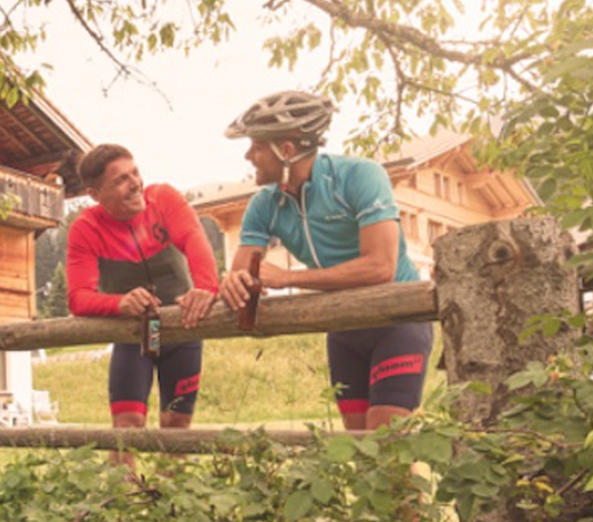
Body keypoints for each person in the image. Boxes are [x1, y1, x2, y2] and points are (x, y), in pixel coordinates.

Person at [216, 91, 432, 432]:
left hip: (397, 320)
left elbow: (380, 267)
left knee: (388, 443)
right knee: (359, 448)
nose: (248, 155)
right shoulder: (265, 204)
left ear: (285, 150)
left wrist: (288, 278)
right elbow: (245, 271)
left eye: (256, 146)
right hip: (343, 327)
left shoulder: (361, 176)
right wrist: (231, 282)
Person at [65, 143, 220, 442]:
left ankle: (170, 490)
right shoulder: (86, 228)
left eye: (134, 173)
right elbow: (77, 298)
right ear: (95, 195)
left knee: (176, 425)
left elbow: (194, 239)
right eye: (120, 180)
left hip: (182, 330)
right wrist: (119, 303)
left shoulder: (163, 199)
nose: (135, 183)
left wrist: (204, 288)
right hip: (133, 336)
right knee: (126, 425)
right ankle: (121, 489)